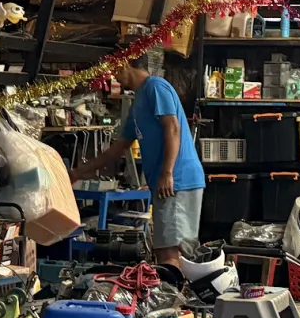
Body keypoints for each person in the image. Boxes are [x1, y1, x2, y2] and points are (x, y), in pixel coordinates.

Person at [72, 57, 204, 265]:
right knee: (164, 251)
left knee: (172, 253)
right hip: (166, 182)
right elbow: (117, 148)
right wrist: (78, 172)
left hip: (177, 180)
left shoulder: (155, 87)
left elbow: (173, 127)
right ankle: (172, 294)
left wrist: (167, 172)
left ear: (124, 64)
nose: (114, 76)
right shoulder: (138, 103)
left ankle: (174, 296)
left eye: (115, 70)